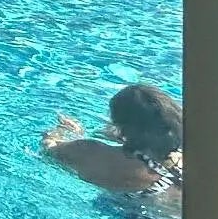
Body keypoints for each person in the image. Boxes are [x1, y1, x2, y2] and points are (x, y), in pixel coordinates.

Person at [41, 83, 182, 198]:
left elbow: (48, 150)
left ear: (120, 125)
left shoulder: (91, 152)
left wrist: (64, 131)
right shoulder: (180, 156)